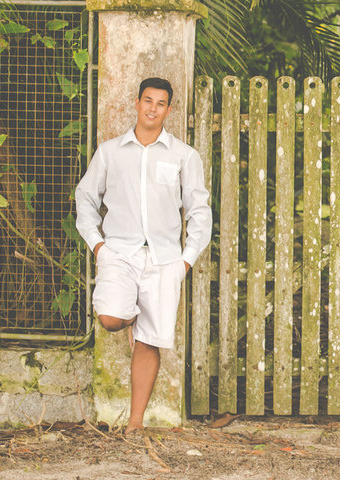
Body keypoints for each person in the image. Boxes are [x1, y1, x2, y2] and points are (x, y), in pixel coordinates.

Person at [75, 77, 212, 436]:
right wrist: (98, 245)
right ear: (136, 103)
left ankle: (135, 423)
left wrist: (185, 261)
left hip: (165, 259)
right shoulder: (110, 152)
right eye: (147, 100)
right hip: (119, 252)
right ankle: (133, 310)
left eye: (160, 103)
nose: (153, 108)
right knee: (110, 318)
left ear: (169, 109)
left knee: (150, 341)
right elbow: (85, 197)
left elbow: (199, 210)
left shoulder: (184, 156)